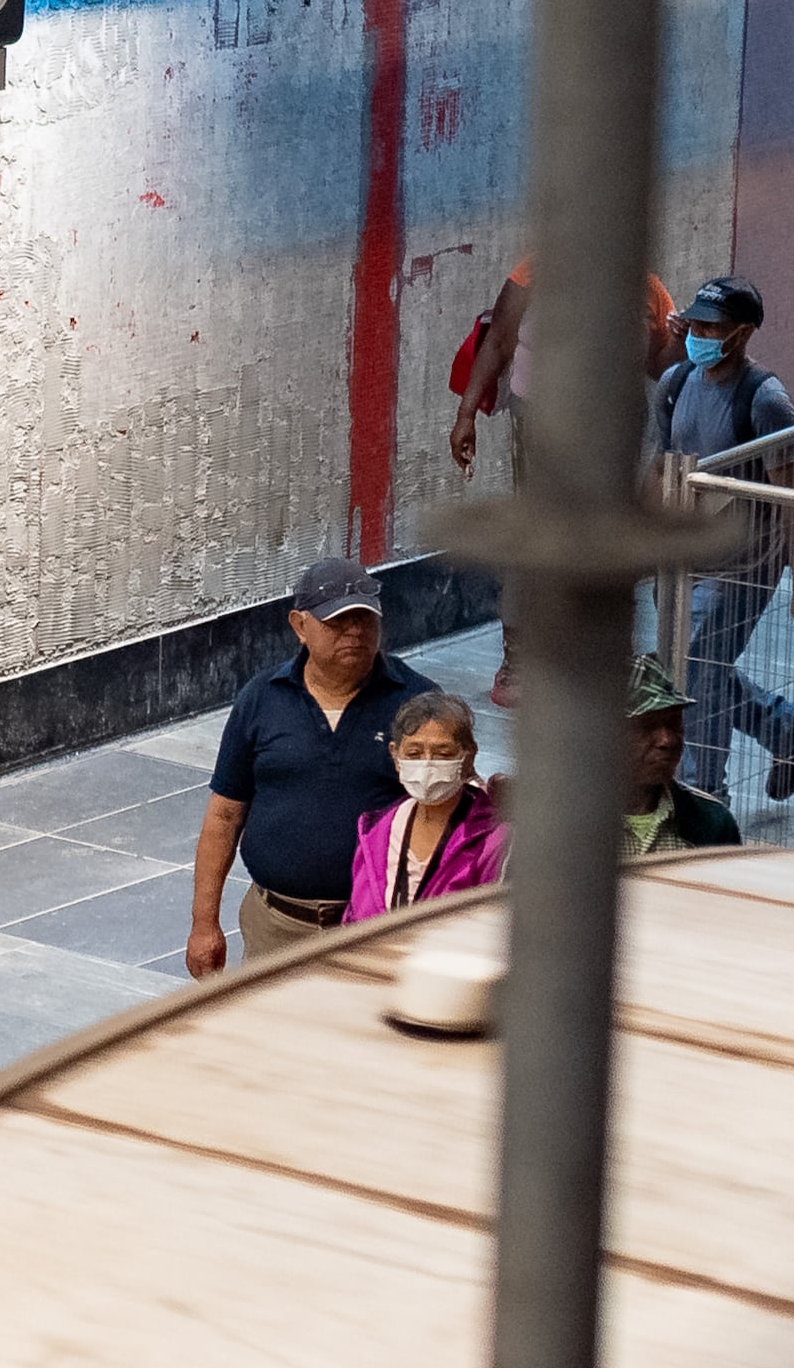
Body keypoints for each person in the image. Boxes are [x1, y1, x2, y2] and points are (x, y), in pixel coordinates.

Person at [188, 558, 436, 975]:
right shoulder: (261, 700)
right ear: (300, 626)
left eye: (365, 618)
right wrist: (203, 923)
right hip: (275, 929)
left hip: (379, 928)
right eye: (339, 622)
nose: (355, 631)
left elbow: (447, 813)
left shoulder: (418, 703)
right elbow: (225, 814)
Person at [653, 276, 794, 803]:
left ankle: (706, 795)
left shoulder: (767, 401)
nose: (699, 334)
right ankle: (783, 724)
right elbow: (662, 467)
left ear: (743, 334)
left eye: (713, 327)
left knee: (697, 667)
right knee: (686, 665)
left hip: (745, 561)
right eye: (696, 323)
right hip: (684, 553)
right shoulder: (677, 382)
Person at [447, 257, 676, 478]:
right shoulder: (534, 271)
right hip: (539, 419)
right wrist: (466, 415)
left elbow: (658, 367)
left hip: (614, 426)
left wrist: (679, 341)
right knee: (545, 508)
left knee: (605, 507)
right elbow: (497, 341)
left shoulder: (646, 289)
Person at [346, 690, 507, 917]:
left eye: (442, 753)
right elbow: (353, 918)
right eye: (414, 753)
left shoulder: (494, 840)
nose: (427, 764)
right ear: (395, 756)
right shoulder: (375, 832)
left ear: (468, 756)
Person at [620, 655, 747, 858]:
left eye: (674, 724)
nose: (667, 740)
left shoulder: (712, 823)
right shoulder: (565, 824)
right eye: (647, 726)